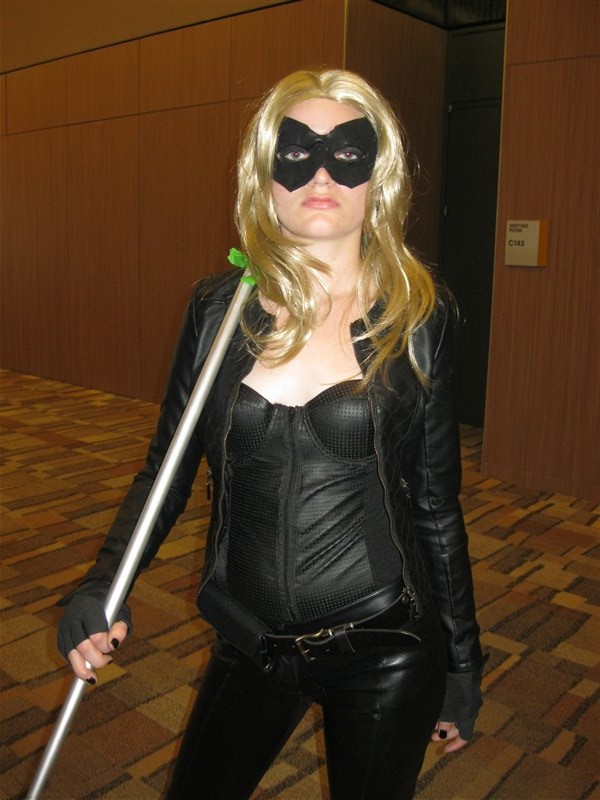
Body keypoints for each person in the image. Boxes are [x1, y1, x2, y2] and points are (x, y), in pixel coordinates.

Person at [57, 68, 486, 800]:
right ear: (265, 175)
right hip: (249, 637)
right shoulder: (218, 309)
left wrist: (462, 661)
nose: (321, 173)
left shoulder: (419, 317)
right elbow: (167, 470)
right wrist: (107, 582)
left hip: (384, 643)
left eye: (346, 152)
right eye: (296, 151)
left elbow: (434, 505)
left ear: (377, 177)